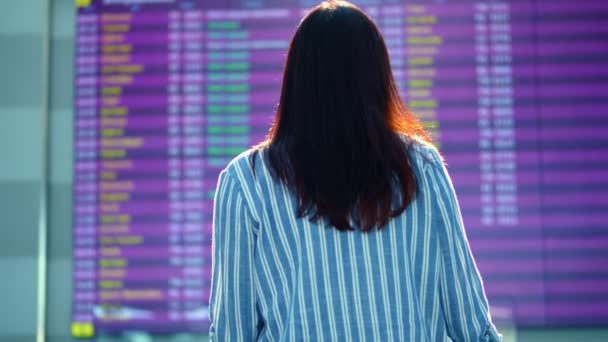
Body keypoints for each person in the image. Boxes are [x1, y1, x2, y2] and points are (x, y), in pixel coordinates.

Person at [209, 1, 501, 340]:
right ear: (378, 78)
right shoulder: (422, 167)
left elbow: (232, 332)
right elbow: (470, 323)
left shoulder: (245, 181)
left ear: (295, 79)